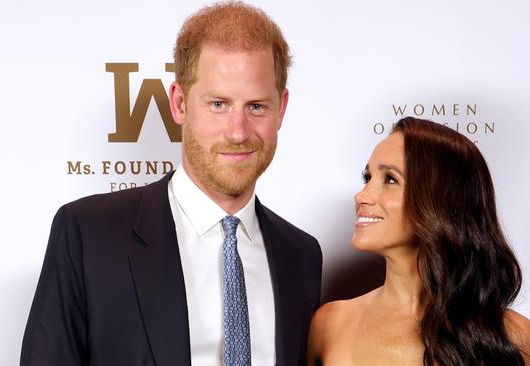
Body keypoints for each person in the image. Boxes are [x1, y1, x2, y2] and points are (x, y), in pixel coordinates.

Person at [20, 2, 322, 366]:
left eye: (256, 106)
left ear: (281, 109)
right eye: (218, 104)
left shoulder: (301, 256)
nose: (238, 131)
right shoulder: (89, 234)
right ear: (179, 103)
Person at [308, 117, 530, 366]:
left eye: (390, 179)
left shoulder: (513, 335)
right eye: (368, 178)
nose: (362, 196)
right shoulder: (330, 324)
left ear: (441, 199)